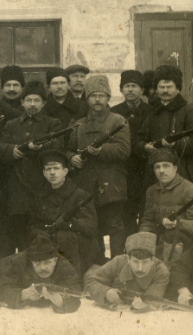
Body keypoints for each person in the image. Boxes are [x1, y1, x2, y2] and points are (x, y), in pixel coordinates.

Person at [65, 75, 130, 257]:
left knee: (115, 228)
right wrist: (72, 158)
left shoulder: (118, 121)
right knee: (92, 228)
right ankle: (97, 264)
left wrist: (101, 150)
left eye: (101, 95)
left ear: (108, 97)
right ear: (87, 99)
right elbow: (69, 149)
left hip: (111, 184)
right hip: (85, 185)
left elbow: (124, 149)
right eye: (93, 96)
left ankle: (117, 264)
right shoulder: (79, 124)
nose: (97, 99)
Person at [0, 81, 65, 256]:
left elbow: (58, 144)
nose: (32, 104)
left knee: (40, 228)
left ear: (43, 103)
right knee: (19, 228)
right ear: (22, 102)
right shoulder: (12, 124)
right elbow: (2, 146)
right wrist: (12, 150)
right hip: (17, 185)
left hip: (42, 185)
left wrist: (40, 147)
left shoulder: (53, 123)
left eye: (36, 100)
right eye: (28, 100)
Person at [138, 65, 193, 193]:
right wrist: (145, 147)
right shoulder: (152, 113)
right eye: (161, 87)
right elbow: (140, 138)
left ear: (177, 89)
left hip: (183, 171)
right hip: (156, 174)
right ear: (156, 89)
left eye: (169, 87)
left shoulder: (190, 111)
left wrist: (175, 144)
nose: (165, 90)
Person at [29, 149, 98, 274]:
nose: (52, 173)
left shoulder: (80, 195)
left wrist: (70, 224)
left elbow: (90, 226)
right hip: (48, 249)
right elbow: (33, 225)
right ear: (44, 173)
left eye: (56, 168)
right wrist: (43, 235)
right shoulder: (40, 198)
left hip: (78, 251)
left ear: (65, 171)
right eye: (48, 169)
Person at [138, 149, 193, 263]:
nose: (161, 171)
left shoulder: (191, 190)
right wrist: (142, 239)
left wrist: (177, 223)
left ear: (175, 168)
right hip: (161, 243)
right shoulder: (152, 191)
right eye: (157, 167)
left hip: (187, 246)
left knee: (171, 235)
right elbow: (148, 220)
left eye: (166, 166)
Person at [0, 234, 81, 313]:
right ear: (31, 261)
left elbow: (76, 294)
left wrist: (58, 300)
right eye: (37, 263)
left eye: (47, 262)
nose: (43, 267)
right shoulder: (18, 263)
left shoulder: (64, 266)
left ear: (55, 260)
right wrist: (23, 294)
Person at [112, 70, 153, 240]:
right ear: (121, 90)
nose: (130, 90)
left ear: (142, 90)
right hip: (124, 169)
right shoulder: (114, 112)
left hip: (146, 168)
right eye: (126, 86)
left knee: (146, 210)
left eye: (134, 86)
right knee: (126, 212)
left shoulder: (151, 111)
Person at [84, 231, 170, 311]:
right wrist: (106, 292)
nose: (140, 268)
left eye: (145, 262)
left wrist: (144, 306)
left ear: (152, 261)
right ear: (128, 259)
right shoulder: (118, 262)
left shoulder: (161, 272)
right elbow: (91, 281)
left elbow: (153, 300)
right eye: (136, 262)